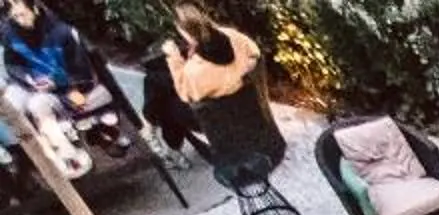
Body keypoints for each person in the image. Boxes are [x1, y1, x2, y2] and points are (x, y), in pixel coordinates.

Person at [2, 2, 122, 177]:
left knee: (38, 104)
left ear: (34, 9)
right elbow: (12, 65)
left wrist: (55, 82)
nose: (21, 20)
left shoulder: (61, 32)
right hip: (32, 86)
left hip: (63, 88)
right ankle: (48, 157)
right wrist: (30, 79)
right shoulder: (11, 36)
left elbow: (81, 71)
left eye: (23, 14)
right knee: (15, 103)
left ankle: (70, 157)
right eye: (16, 17)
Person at [141, 5, 256, 161]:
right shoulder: (233, 35)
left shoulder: (196, 70)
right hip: (241, 102)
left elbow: (185, 93)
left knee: (165, 103)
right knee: (156, 79)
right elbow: (255, 54)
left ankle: (159, 133)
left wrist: (174, 57)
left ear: (183, 30)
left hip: (216, 118)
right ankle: (154, 127)